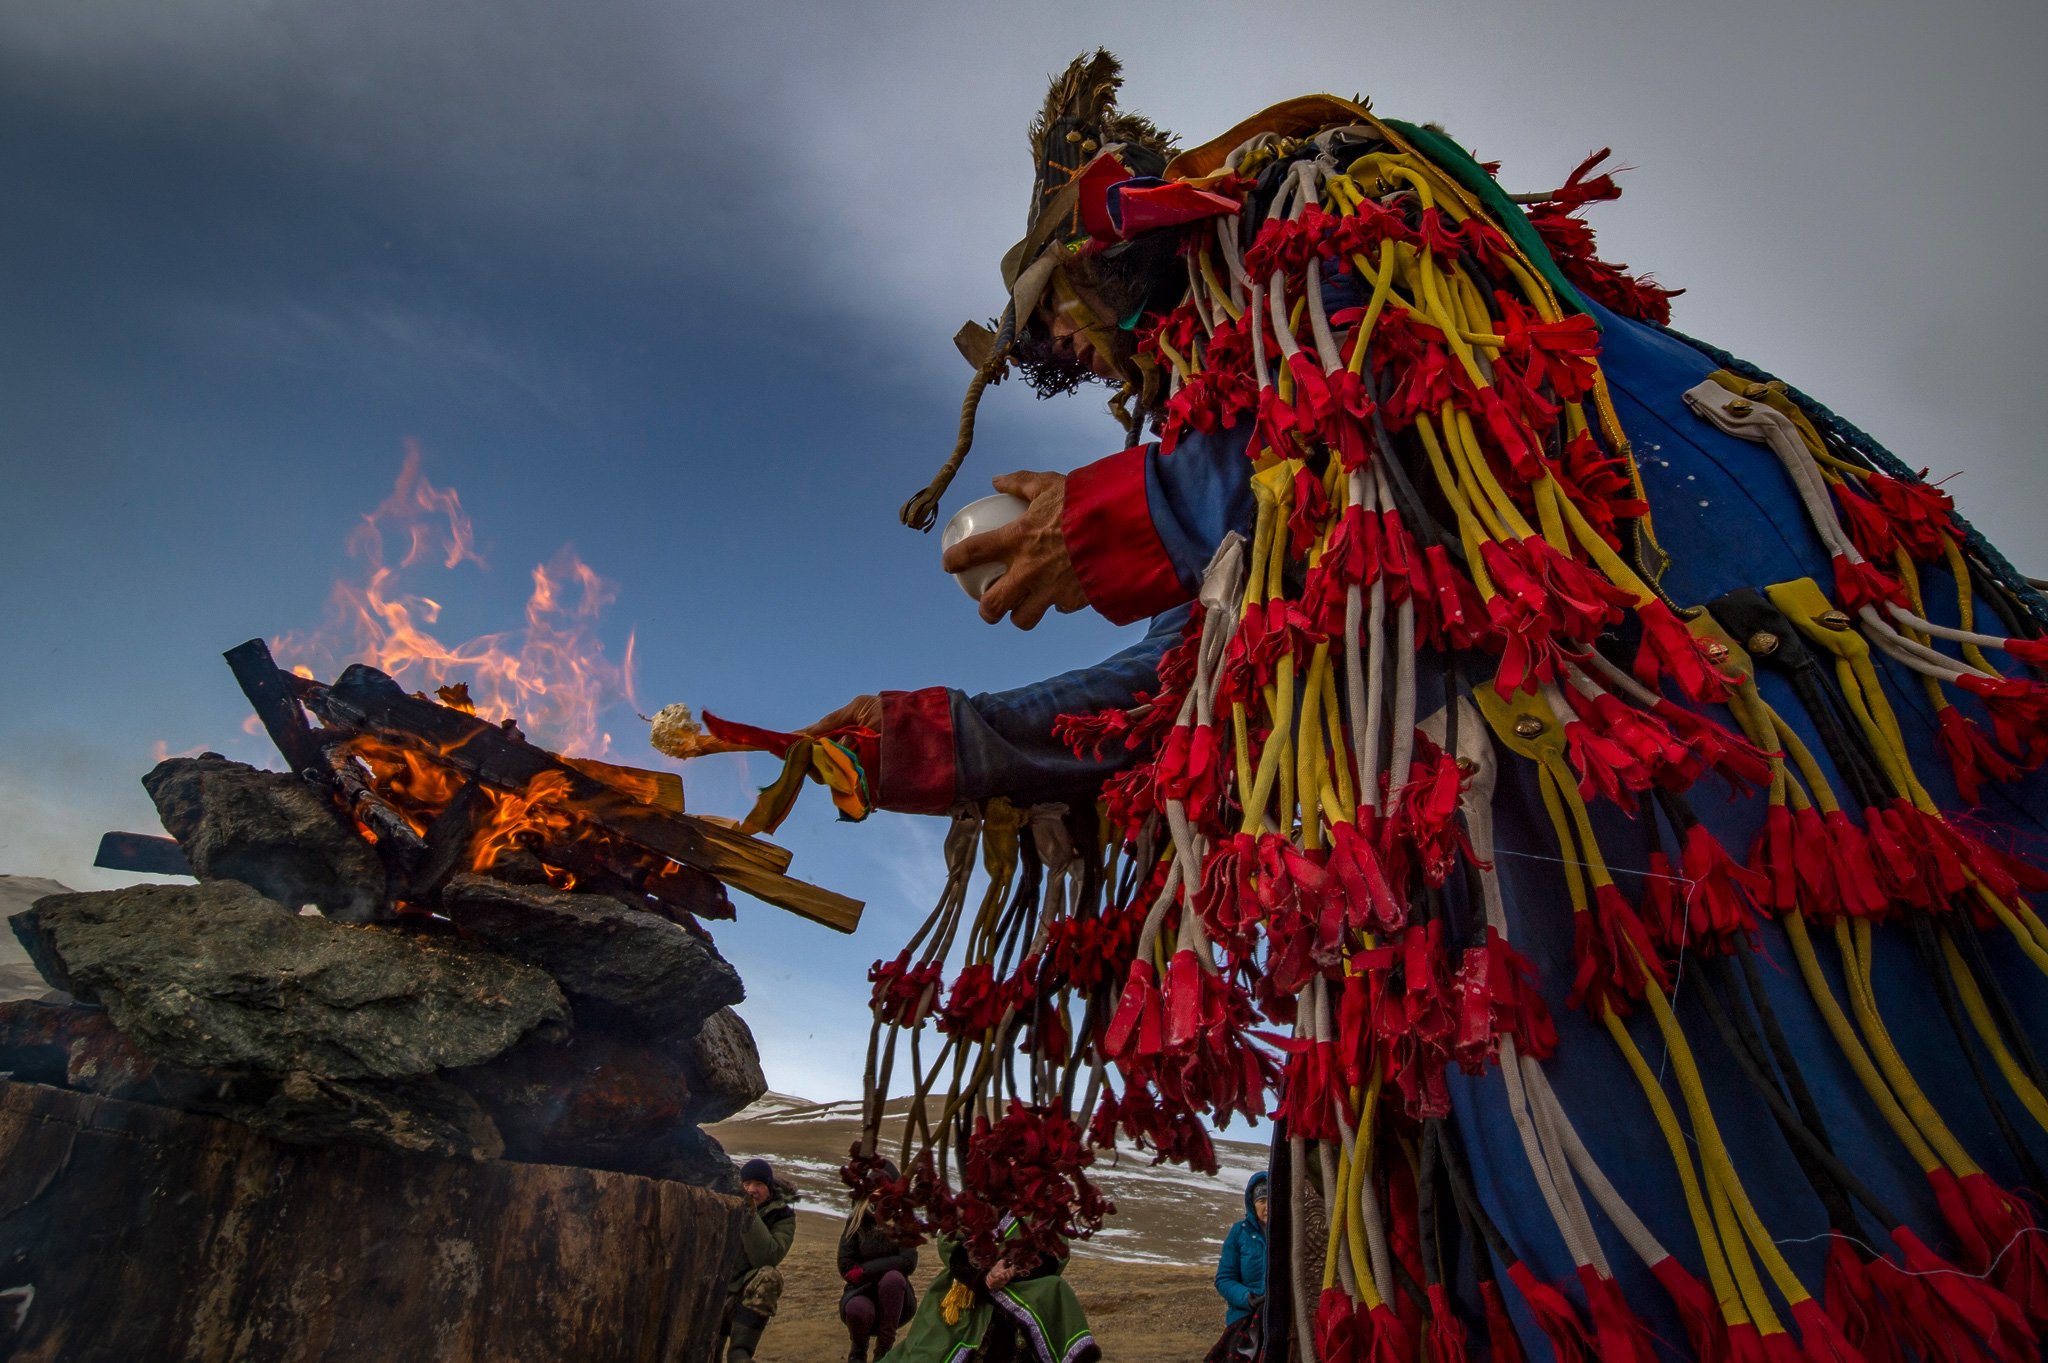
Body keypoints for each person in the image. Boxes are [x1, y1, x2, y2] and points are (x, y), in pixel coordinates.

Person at [768, 51, 2048, 1362]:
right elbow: (1190, 657)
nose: (1111, 378)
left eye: (1086, 344)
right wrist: (925, 736)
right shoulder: (1248, 436)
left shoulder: (1328, 208)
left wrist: (1123, 510)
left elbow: (1394, 411)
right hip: (1584, 838)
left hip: (1722, 760)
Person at [881, 1214, 1097, 1363]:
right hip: (967, 1288)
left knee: (1055, 1290)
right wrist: (983, 1276)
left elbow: (1056, 1255)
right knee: (929, 1350)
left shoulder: (1043, 1198)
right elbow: (949, 1242)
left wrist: (1013, 1269)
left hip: (1022, 1292)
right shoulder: (978, 1190)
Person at [840, 1164, 918, 1363]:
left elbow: (908, 1261)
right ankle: (857, 1352)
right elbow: (845, 1264)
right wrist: (863, 1274)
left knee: (893, 1279)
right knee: (858, 1310)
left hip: (896, 1298)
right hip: (860, 1291)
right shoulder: (857, 1220)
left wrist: (866, 1269)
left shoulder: (903, 1221)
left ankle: (883, 1353)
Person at [723, 1157, 795, 1363]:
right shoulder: (723, 1202)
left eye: (759, 1184)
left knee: (769, 1278)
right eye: (746, 1184)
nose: (752, 1189)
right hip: (713, 1289)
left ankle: (740, 1352)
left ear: (769, 1188)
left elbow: (767, 1257)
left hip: (742, 1294)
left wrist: (749, 1215)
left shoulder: (782, 1216)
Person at [1213, 1171, 1269, 1348]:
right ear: (1253, 1204)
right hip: (1244, 1317)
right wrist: (1247, 1298)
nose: (1267, 1206)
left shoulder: (1290, 1232)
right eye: (1262, 1201)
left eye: (1272, 1199)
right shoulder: (1239, 1232)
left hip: (1282, 1318)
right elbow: (1224, 1279)